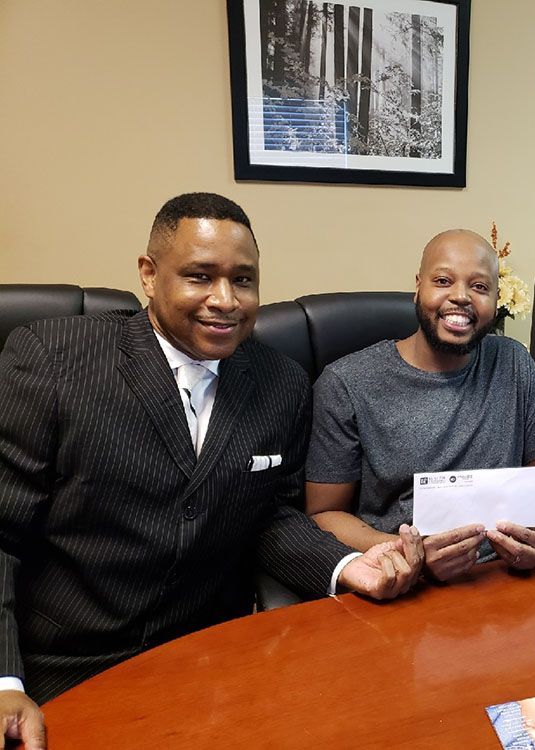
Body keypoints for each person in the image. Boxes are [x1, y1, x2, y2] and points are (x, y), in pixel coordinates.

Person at [0, 193, 423, 748]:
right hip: (65, 665)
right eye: (200, 276)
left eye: (243, 281)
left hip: (212, 660)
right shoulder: (55, 359)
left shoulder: (281, 383)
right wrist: (6, 681)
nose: (225, 300)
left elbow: (270, 516)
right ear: (149, 275)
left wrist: (349, 565)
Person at [305, 229, 535, 581]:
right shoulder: (346, 383)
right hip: (403, 584)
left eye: (479, 286)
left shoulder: (512, 362)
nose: (460, 297)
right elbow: (324, 513)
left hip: (506, 576)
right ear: (418, 286)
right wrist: (409, 557)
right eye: (443, 280)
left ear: (497, 298)